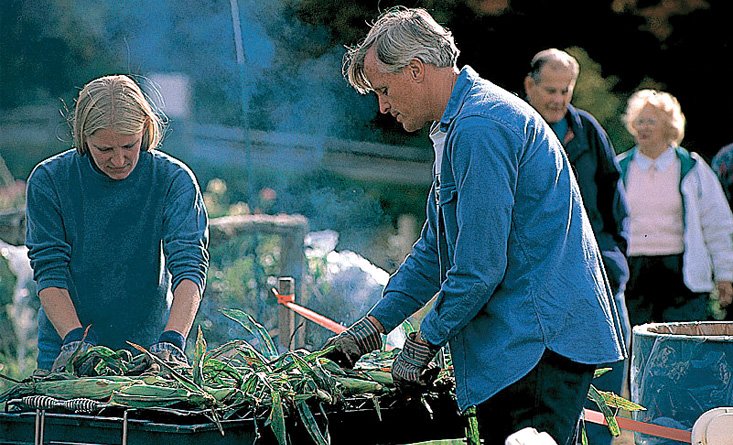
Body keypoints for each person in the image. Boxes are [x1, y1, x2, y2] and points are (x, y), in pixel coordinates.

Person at [322, 8, 626, 445]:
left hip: (537, 346)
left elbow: (479, 267)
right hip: (527, 344)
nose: (383, 106)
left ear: (415, 70)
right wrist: (372, 327)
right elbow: (433, 250)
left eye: (384, 90)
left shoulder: (480, 127)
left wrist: (424, 340)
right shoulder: (459, 124)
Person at [25, 74, 209, 372]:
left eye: (129, 145)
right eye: (105, 150)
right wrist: (75, 343)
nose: (120, 159)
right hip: (66, 348)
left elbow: (189, 267)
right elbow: (49, 271)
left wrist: (172, 342)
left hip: (148, 357)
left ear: (146, 131)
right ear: (83, 138)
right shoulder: (49, 181)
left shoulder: (174, 180)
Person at [524, 48, 631, 445]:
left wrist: (616, 256)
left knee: (607, 374)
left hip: (600, 270)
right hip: (543, 275)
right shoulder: (515, 129)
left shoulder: (587, 130)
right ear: (529, 86)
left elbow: (613, 199)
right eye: (550, 90)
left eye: (565, 91)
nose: (557, 99)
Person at [616, 89, 733, 327]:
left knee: (682, 345)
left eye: (651, 121)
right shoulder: (619, 167)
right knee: (634, 346)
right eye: (639, 121)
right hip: (633, 272)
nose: (643, 127)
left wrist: (725, 275)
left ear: (669, 127)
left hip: (681, 273)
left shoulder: (693, 167)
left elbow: (717, 225)